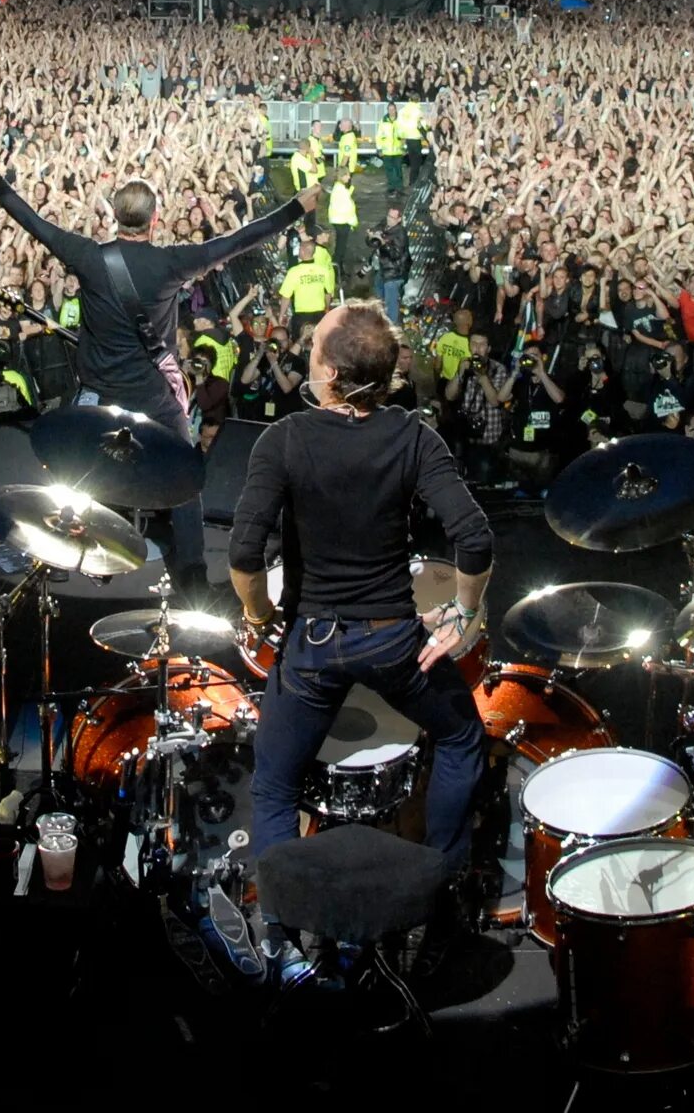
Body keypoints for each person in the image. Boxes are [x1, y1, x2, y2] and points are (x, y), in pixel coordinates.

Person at [228, 304, 492, 973]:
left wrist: (259, 617)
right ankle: (442, 896)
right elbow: (475, 536)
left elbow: (244, 552)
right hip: (390, 641)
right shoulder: (412, 436)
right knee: (461, 737)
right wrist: (462, 612)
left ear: (332, 373)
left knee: (275, 787)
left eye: (314, 347)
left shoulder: (283, 439)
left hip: (312, 644)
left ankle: (284, 939)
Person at [0, 155, 317, 597]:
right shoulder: (172, 263)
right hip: (155, 397)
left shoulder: (87, 256)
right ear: (155, 220)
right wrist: (294, 208)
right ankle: (191, 575)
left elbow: (28, 219)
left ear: (113, 216)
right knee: (183, 476)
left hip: (99, 393)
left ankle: (61, 557)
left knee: (73, 470)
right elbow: (239, 240)